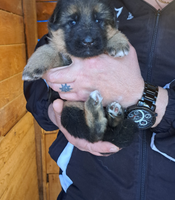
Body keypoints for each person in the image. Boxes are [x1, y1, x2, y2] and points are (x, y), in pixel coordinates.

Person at [24, 0, 175, 199]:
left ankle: (109, 119)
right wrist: (54, 110)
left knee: (115, 126)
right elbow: (49, 51)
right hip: (83, 189)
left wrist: (139, 95)